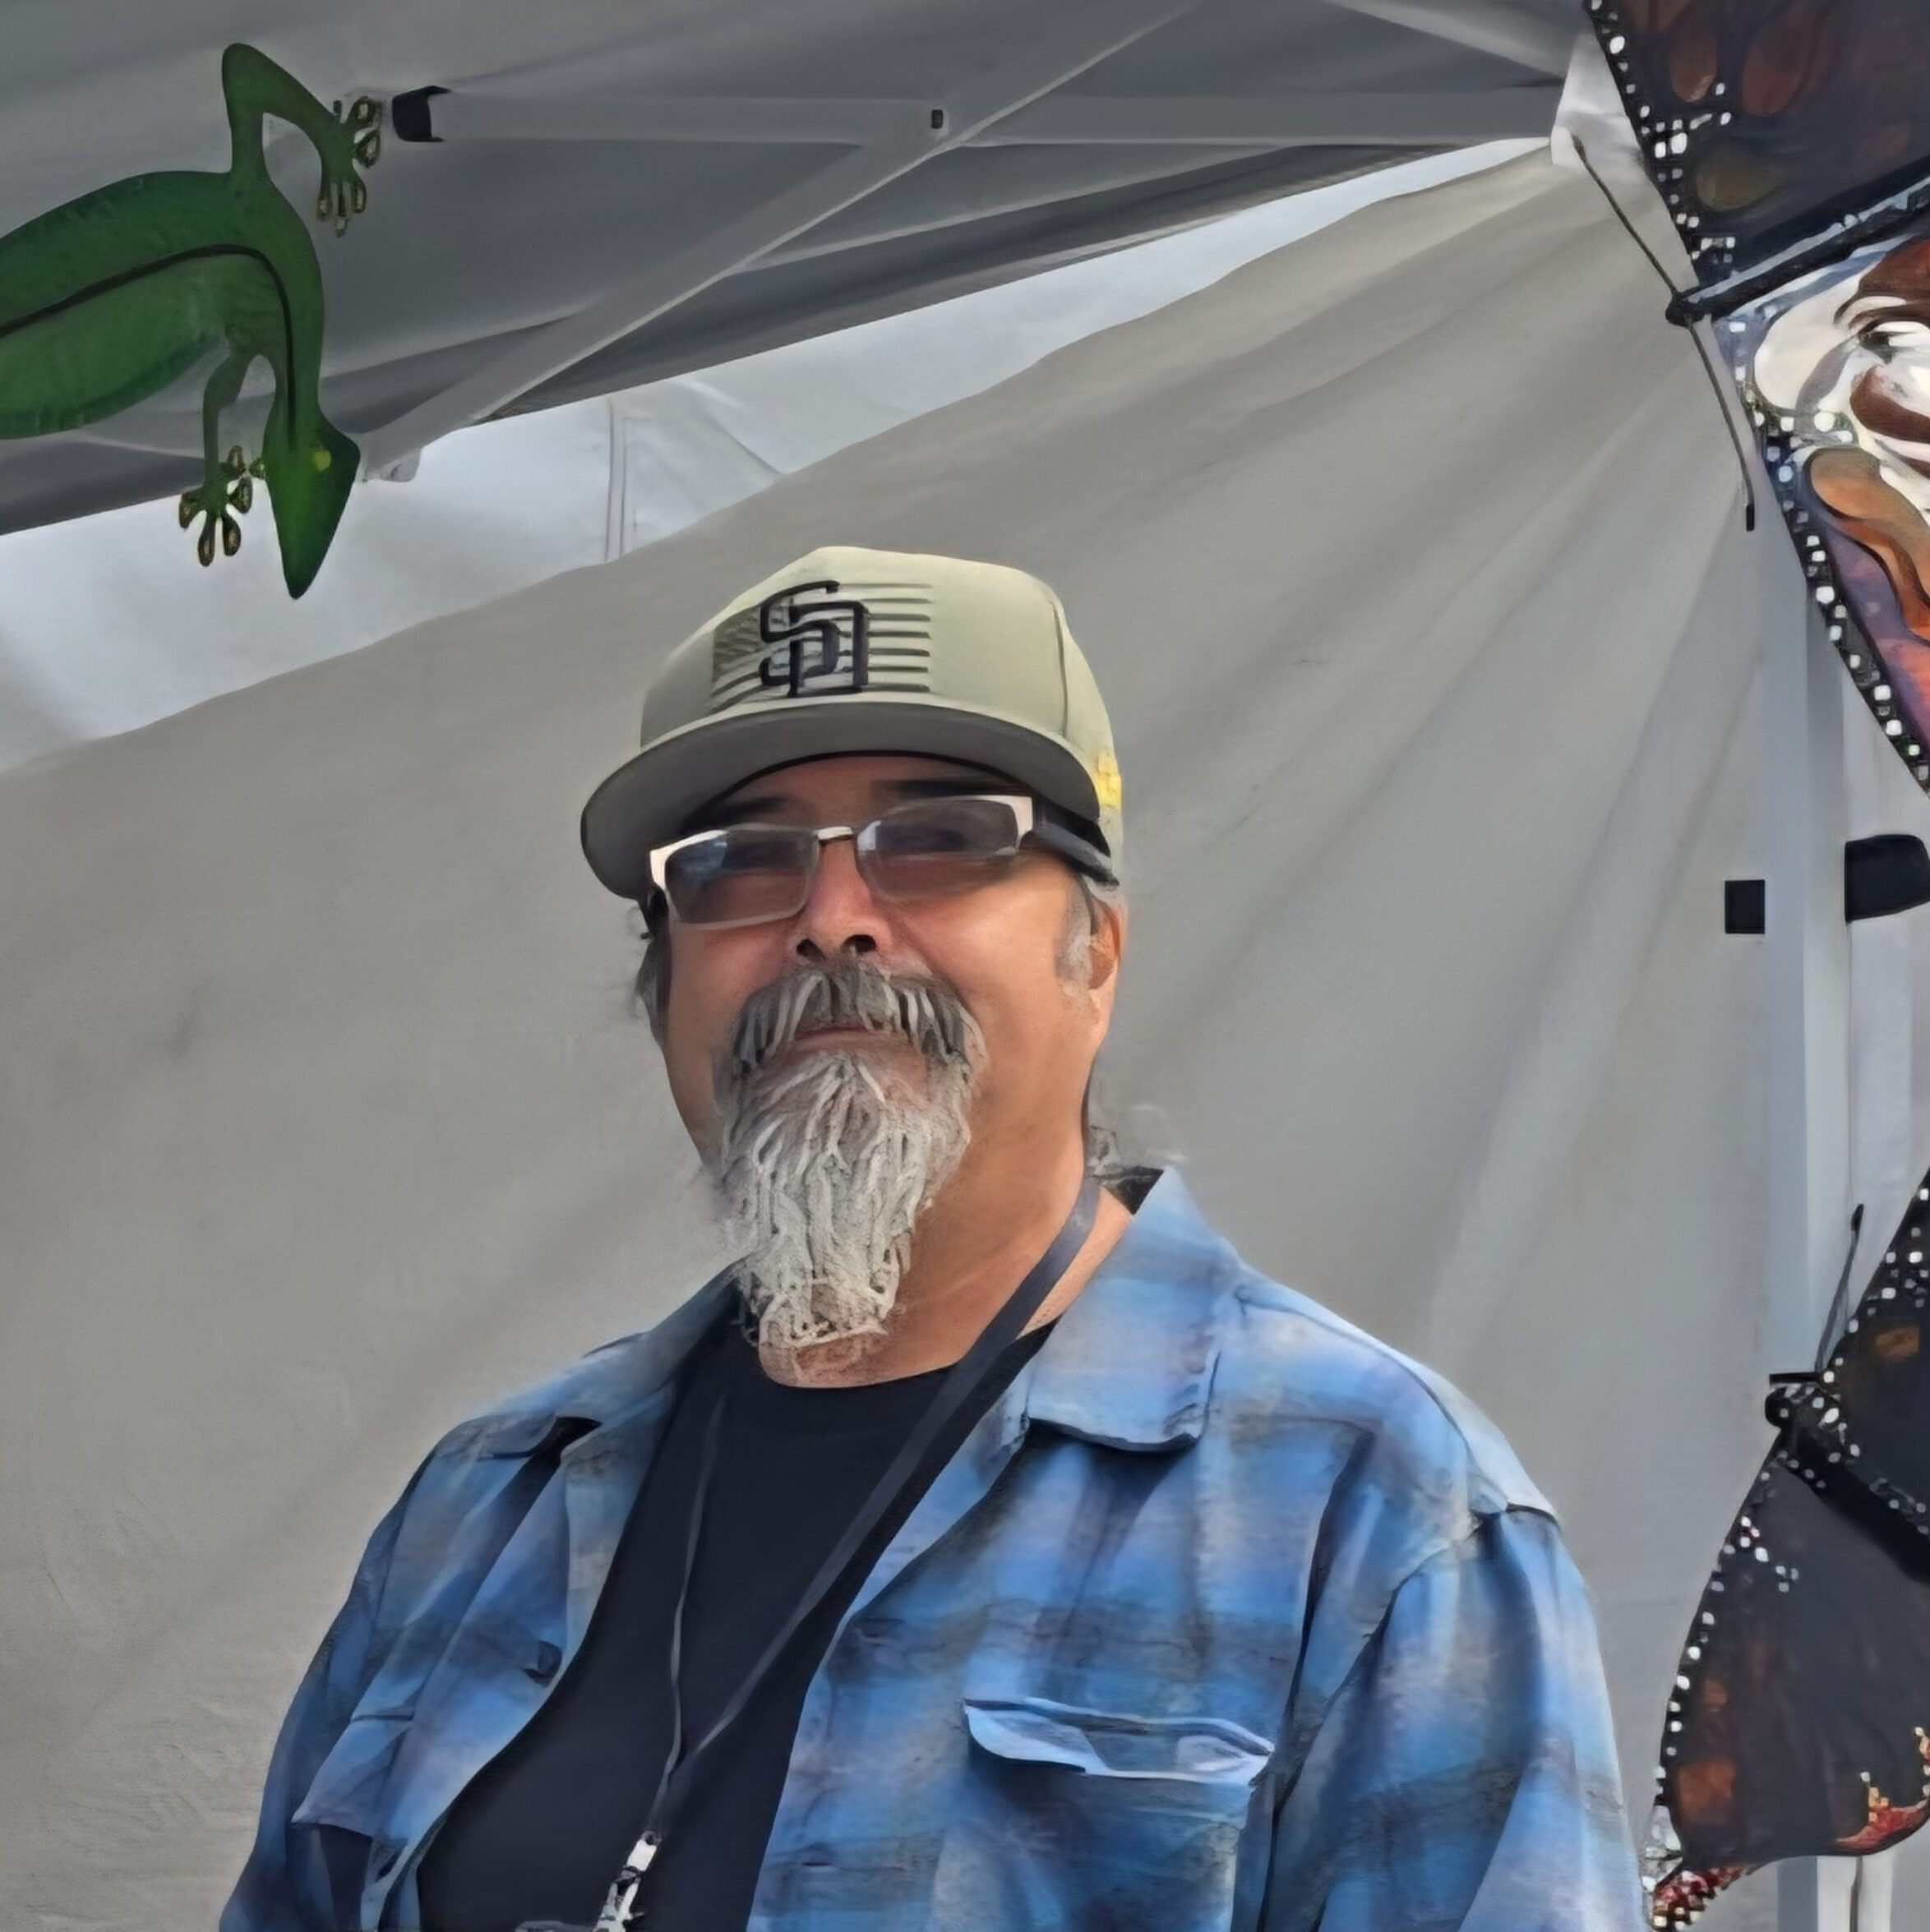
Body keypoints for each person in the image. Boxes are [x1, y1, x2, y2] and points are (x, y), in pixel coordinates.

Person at [224, 546, 1645, 1932]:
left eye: (944, 841)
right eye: (739, 862)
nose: (833, 921)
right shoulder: (485, 1508)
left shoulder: (1373, 1509)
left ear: (1096, 956)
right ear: (663, 989)